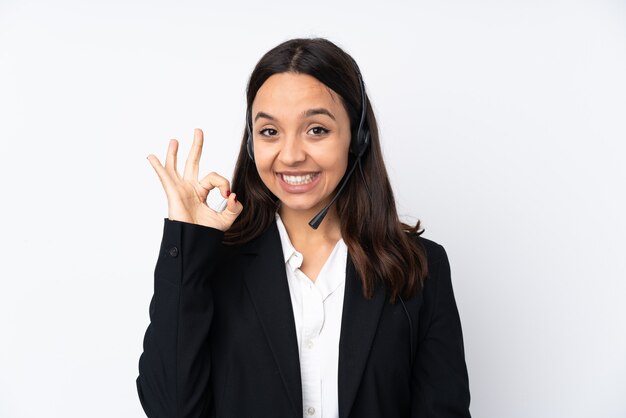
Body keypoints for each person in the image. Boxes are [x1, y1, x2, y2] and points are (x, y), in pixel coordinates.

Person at [136, 37, 471, 418]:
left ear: (356, 139)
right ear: (251, 144)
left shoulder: (420, 266)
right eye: (269, 132)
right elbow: (169, 409)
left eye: (316, 130)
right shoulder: (211, 264)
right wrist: (188, 241)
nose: (292, 155)